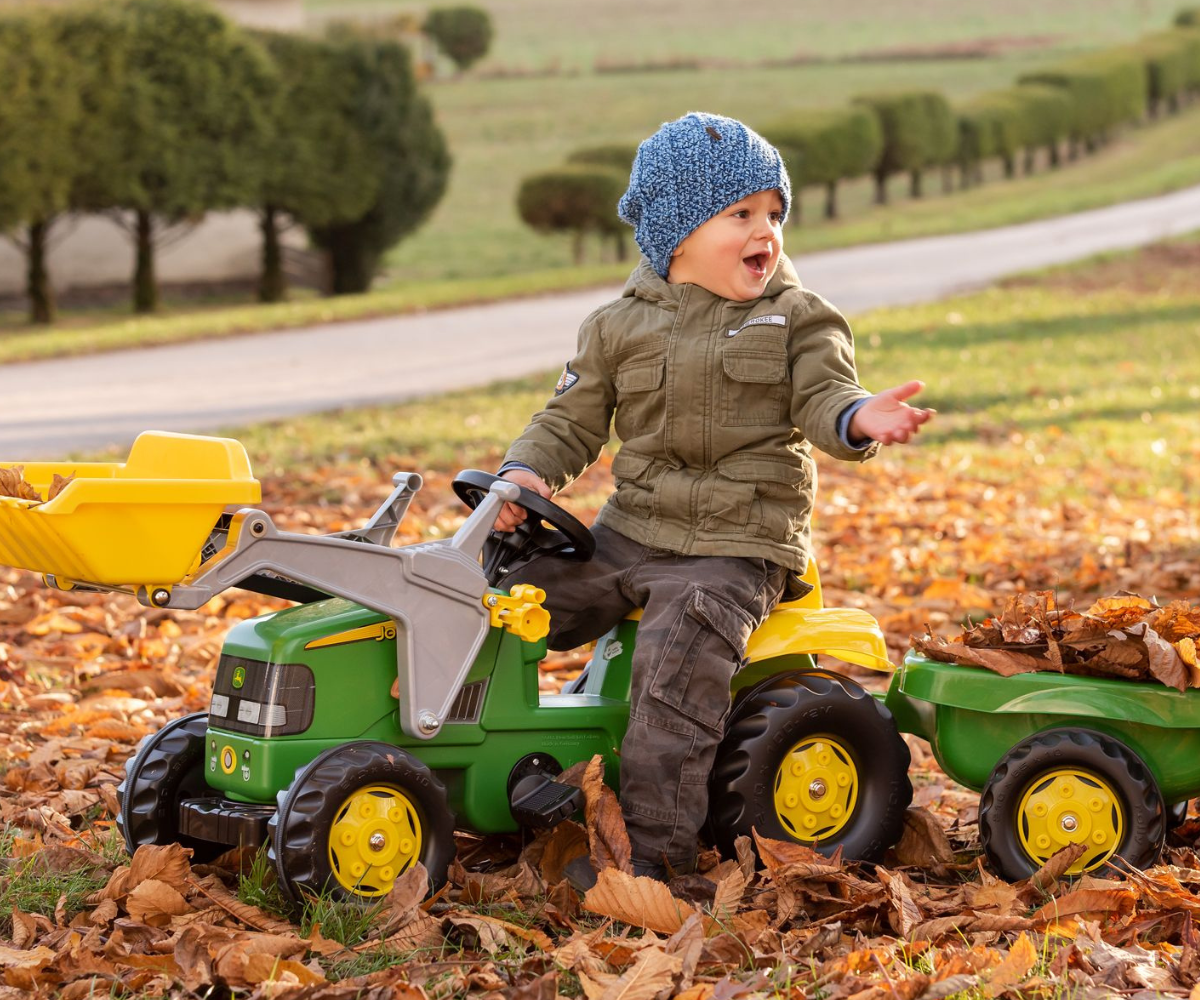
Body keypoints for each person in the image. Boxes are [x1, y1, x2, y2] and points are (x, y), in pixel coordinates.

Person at [494, 111, 932, 882]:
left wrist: (860, 417)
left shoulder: (796, 319)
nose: (766, 230)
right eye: (741, 213)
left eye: (774, 213)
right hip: (631, 532)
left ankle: (658, 860)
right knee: (502, 602)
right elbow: (569, 420)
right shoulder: (617, 327)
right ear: (679, 233)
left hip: (736, 546)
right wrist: (524, 475)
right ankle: (476, 770)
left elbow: (828, 394)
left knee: (674, 671)